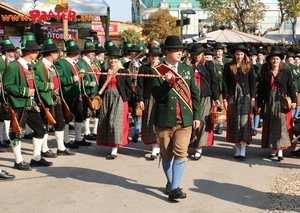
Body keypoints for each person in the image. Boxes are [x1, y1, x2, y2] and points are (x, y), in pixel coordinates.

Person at [150, 35, 200, 201]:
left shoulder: (187, 69)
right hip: (164, 120)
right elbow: (157, 96)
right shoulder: (156, 70)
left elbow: (194, 95)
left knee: (181, 152)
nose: (180, 53)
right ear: (167, 52)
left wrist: (197, 116)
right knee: (166, 154)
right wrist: (166, 83)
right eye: (176, 50)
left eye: (181, 50)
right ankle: (172, 184)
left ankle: (175, 187)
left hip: (184, 120)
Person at [3, 32, 53, 170]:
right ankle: (18, 161)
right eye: (36, 51)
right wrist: (24, 92)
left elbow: (33, 85)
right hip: (18, 104)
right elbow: (7, 86)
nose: (38, 53)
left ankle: (36, 158)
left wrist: (34, 100)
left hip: (30, 104)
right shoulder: (13, 67)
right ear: (29, 52)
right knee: (17, 133)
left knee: (40, 129)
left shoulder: (30, 66)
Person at [34, 38, 76, 157]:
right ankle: (44, 149)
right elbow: (36, 83)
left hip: (57, 97)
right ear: (51, 53)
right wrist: (48, 86)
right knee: (46, 123)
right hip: (46, 98)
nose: (58, 54)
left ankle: (61, 147)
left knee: (60, 122)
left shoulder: (52, 65)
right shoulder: (39, 66)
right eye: (56, 52)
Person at [257, 46, 297, 161]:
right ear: (270, 60)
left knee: (281, 125)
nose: (275, 61)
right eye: (273, 59)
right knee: (270, 125)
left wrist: (294, 101)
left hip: (282, 101)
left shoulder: (286, 73)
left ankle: (280, 150)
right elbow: (261, 90)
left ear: (280, 60)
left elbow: (291, 87)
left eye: (277, 59)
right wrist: (259, 105)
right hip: (269, 101)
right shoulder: (265, 73)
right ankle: (273, 149)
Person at [96, 44, 132, 159]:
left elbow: (128, 87)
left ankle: (115, 149)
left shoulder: (123, 71)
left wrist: (125, 98)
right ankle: (111, 145)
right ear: (108, 59)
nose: (113, 60)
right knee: (106, 121)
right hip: (107, 97)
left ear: (118, 60)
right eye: (111, 58)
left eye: (115, 59)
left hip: (119, 98)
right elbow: (101, 85)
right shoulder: (104, 70)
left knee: (115, 123)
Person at [55, 40, 92, 148]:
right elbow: (59, 79)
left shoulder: (75, 63)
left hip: (77, 93)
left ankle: (78, 138)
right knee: (67, 117)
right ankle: (66, 140)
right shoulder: (61, 63)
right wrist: (72, 79)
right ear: (73, 54)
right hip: (68, 93)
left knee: (80, 114)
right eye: (77, 53)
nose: (79, 55)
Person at [223, 44, 256, 160]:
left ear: (244, 55)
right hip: (232, 96)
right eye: (237, 54)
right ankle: (237, 149)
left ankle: (243, 149)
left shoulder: (249, 66)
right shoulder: (228, 66)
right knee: (234, 121)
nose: (239, 56)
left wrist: (252, 98)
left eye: (241, 54)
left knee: (244, 121)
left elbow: (252, 83)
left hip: (245, 95)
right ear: (234, 55)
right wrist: (224, 99)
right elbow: (225, 83)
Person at [188, 44, 220, 160]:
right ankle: (190, 144)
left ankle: (199, 148)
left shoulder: (208, 64)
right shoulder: (187, 65)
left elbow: (214, 81)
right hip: (191, 96)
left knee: (202, 120)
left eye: (199, 54)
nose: (197, 56)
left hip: (205, 95)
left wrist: (216, 98)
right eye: (194, 54)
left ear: (202, 54)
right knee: (191, 120)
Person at [137, 47, 162, 160]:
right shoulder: (144, 68)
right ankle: (155, 147)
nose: (154, 57)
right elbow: (140, 85)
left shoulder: (163, 68)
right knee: (149, 122)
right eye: (152, 55)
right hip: (148, 98)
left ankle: (157, 148)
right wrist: (141, 99)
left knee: (159, 122)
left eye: (156, 55)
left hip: (161, 98)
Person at [77, 40, 98, 141]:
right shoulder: (81, 63)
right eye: (91, 51)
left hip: (94, 90)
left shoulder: (93, 62)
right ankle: (86, 132)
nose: (93, 53)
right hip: (87, 90)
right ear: (85, 53)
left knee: (93, 111)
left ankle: (92, 131)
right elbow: (80, 78)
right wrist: (88, 84)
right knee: (87, 112)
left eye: (94, 51)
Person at [0, 39, 16, 148]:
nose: (13, 53)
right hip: (0, 91)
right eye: (11, 51)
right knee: (1, 115)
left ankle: (5, 136)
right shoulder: (1, 61)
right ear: (5, 51)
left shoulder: (10, 62)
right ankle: (0, 138)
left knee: (6, 114)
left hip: (6, 91)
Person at [213, 42, 230, 135]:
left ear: (222, 52)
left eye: (219, 51)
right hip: (215, 86)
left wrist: (222, 65)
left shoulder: (227, 61)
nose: (217, 53)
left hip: (223, 86)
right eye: (216, 51)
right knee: (215, 106)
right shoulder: (212, 61)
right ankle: (215, 124)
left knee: (222, 106)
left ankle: (220, 126)